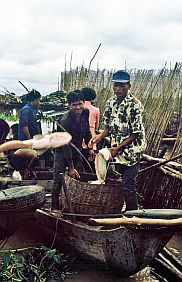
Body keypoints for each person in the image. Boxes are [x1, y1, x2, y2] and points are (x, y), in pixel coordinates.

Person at [89, 70, 146, 211]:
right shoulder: (111, 103)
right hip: (116, 149)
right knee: (114, 179)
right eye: (116, 85)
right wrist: (98, 137)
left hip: (132, 149)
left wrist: (117, 148)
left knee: (128, 184)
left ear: (129, 86)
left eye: (122, 86)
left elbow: (135, 133)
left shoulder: (135, 104)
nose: (118, 89)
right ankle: (118, 207)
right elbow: (108, 127)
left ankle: (134, 215)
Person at [51, 89, 93, 211]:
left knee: (78, 176)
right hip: (61, 149)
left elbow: (87, 131)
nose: (78, 107)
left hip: (77, 149)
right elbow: (65, 145)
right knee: (58, 178)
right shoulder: (65, 120)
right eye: (74, 105)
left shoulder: (86, 112)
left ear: (84, 102)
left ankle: (74, 205)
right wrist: (70, 167)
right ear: (69, 105)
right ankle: (54, 207)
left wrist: (90, 147)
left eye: (80, 103)